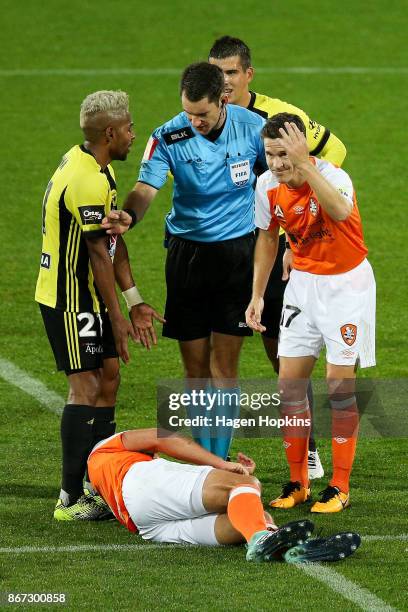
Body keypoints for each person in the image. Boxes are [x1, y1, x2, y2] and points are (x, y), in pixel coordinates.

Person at [101, 62, 268, 460]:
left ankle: (221, 458)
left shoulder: (252, 127)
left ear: (223, 100)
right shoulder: (168, 135)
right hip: (187, 257)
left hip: (237, 257)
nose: (194, 122)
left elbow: (279, 175)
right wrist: (130, 216)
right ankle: (205, 460)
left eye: (203, 115)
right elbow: (145, 187)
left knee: (224, 367)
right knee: (195, 371)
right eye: (189, 113)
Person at [209, 36, 348, 479]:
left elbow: (333, 152)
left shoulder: (278, 116)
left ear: (248, 74)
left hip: (273, 244)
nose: (224, 81)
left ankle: (306, 450)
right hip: (226, 249)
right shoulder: (205, 116)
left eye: (231, 72)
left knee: (283, 354)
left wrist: (299, 228)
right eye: (217, 72)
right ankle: (216, 456)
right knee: (219, 354)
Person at [35, 90, 163, 520]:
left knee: (109, 379)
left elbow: (112, 242)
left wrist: (135, 301)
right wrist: (117, 316)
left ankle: (99, 482)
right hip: (69, 298)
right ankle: (70, 499)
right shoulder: (88, 179)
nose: (133, 134)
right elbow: (97, 253)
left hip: (91, 295)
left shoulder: (93, 165)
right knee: (86, 387)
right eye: (128, 128)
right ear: (110, 133)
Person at [246, 113, 376, 513]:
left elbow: (338, 211)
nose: (278, 164)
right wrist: (257, 295)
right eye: (271, 155)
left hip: (346, 288)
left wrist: (307, 166)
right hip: (302, 286)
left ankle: (339, 486)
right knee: (290, 386)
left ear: (302, 149)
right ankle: (298, 482)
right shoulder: (266, 186)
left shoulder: (335, 177)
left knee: (339, 388)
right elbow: (268, 239)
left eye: (285, 154)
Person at [87, 427, 361, 562]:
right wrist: (222, 465)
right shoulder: (107, 448)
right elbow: (165, 438)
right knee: (244, 484)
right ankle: (260, 540)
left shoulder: (103, 475)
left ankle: (287, 550)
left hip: (146, 526)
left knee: (253, 516)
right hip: (138, 485)